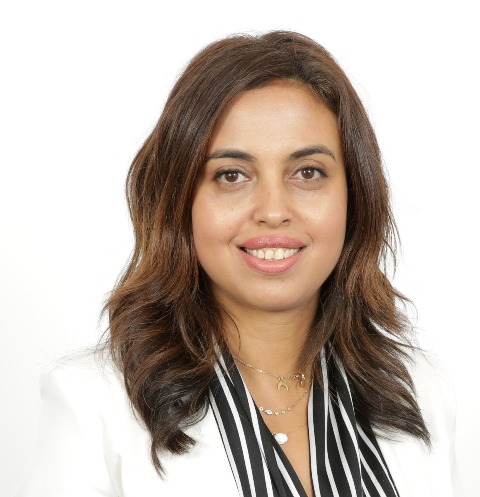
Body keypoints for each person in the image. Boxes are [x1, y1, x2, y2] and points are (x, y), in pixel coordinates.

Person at [16, 31, 462, 497]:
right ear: (179, 201)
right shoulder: (93, 408)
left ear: (356, 196)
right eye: (232, 175)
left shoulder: (423, 396)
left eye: (308, 172)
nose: (273, 210)